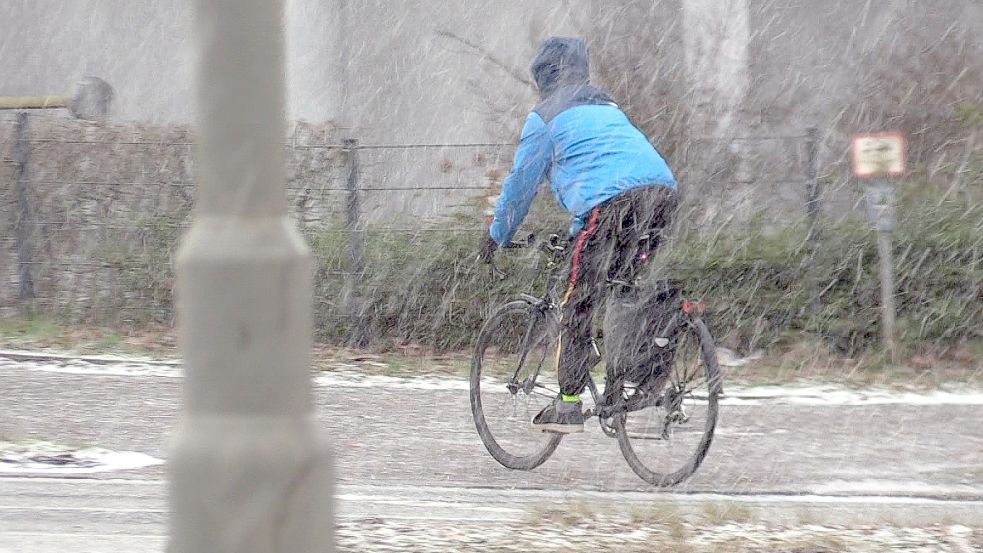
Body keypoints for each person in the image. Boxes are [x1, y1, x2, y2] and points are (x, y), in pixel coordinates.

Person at [478, 36, 678, 434]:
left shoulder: (545, 119)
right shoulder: (607, 107)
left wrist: (497, 235)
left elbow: (521, 186)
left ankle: (568, 403)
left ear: (543, 78)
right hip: (661, 196)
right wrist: (578, 232)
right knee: (626, 289)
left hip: (611, 206)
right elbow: (600, 172)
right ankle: (646, 373)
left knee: (579, 301)